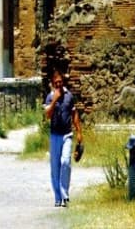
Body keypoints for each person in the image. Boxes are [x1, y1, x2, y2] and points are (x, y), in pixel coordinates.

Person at [44, 69, 83, 208]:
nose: (59, 84)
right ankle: (57, 197)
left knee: (65, 162)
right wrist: (54, 100)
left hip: (67, 134)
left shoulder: (69, 96)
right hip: (55, 135)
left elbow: (74, 114)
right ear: (53, 84)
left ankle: (65, 195)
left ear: (63, 82)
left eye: (60, 82)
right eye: (56, 83)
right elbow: (47, 115)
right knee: (55, 167)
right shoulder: (49, 97)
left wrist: (79, 132)